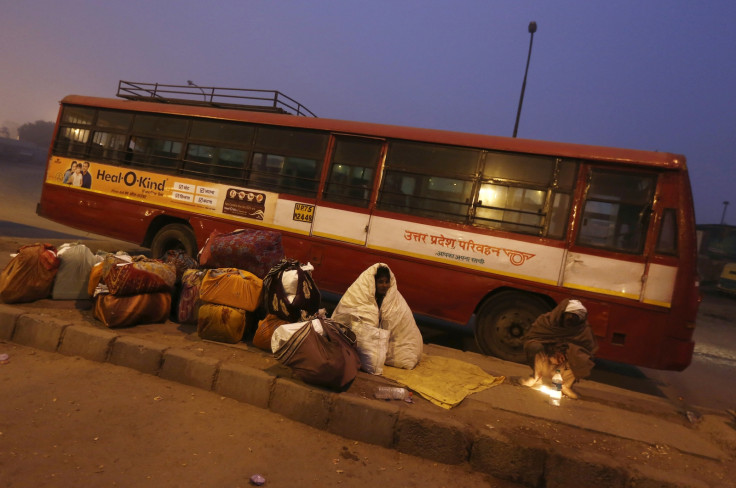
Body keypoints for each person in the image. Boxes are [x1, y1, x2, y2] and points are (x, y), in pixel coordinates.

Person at [521, 298, 597, 399]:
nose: (570, 322)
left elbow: (588, 349)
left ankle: (565, 386)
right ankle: (536, 378)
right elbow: (532, 337)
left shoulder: (582, 329)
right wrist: (552, 352)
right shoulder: (546, 321)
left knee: (581, 356)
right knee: (534, 346)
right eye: (569, 318)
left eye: (574, 320)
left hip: (564, 367)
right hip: (545, 361)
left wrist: (566, 353)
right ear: (561, 314)